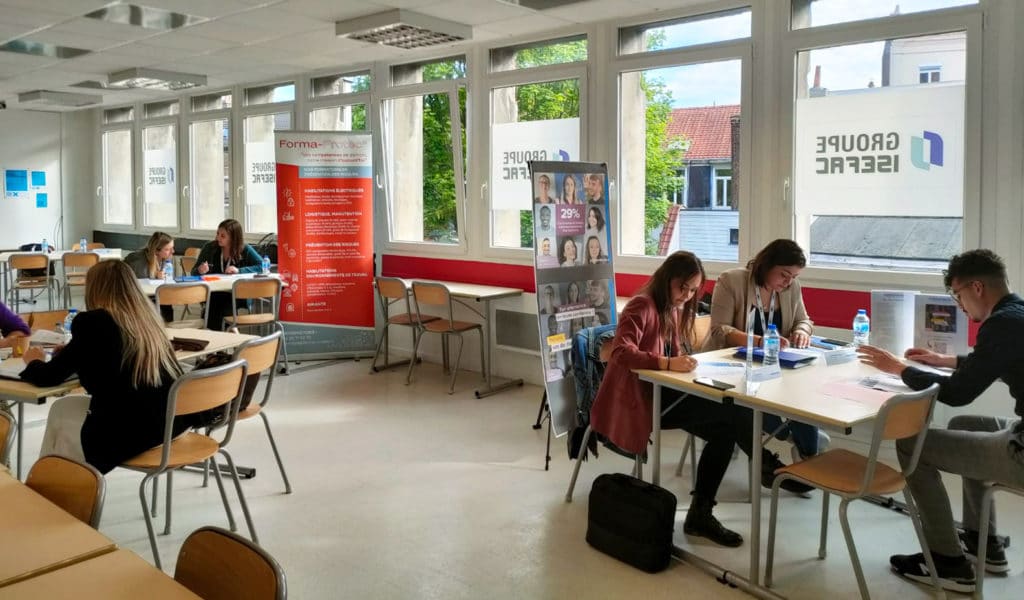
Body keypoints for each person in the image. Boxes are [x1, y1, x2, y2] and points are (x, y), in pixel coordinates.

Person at [589, 251, 811, 548]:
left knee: (727, 427)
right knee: (733, 413)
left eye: (694, 290)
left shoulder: (672, 307)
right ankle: (764, 466)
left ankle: (702, 512)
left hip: (662, 390)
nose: (687, 295)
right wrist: (667, 363)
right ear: (667, 279)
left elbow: (674, 353)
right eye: (683, 287)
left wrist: (685, 363)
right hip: (639, 400)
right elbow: (619, 352)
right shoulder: (642, 305)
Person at [857, 249, 1024, 593]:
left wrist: (900, 369)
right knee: (966, 423)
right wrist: (944, 360)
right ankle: (983, 542)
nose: (959, 305)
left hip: (1020, 450)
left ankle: (947, 561)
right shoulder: (1016, 312)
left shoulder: (1001, 324)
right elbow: (992, 362)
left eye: (958, 295)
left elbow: (958, 392)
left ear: (977, 288)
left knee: (912, 444)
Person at [19, 260, 189, 474]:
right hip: (173, 422)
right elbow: (115, 355)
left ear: (95, 289)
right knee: (63, 409)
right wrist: (74, 351)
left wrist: (33, 360)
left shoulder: (92, 322)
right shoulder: (148, 319)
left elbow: (48, 377)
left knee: (61, 411)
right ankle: (63, 480)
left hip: (136, 429)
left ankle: (58, 482)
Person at [703, 239, 825, 459]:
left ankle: (808, 454)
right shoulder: (731, 280)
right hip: (733, 368)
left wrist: (802, 332)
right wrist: (760, 341)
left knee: (801, 393)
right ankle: (790, 437)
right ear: (767, 264)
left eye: (794, 277)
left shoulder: (791, 288)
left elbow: (804, 320)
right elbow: (719, 330)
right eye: (784, 275)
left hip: (775, 368)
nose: (788, 282)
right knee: (752, 396)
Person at [192, 219, 262, 329]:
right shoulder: (209, 248)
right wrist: (200, 270)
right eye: (217, 234)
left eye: (223, 236)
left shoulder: (245, 249)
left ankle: (218, 333)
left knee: (222, 304)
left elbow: (263, 266)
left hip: (237, 293)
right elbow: (193, 272)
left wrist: (239, 271)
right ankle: (222, 333)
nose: (218, 238)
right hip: (213, 292)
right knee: (216, 302)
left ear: (233, 238)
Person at [124, 231, 176, 322]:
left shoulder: (164, 258)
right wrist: (156, 278)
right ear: (156, 251)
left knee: (166, 303)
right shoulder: (138, 262)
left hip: (152, 297)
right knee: (163, 305)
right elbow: (140, 288)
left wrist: (159, 278)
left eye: (172, 248)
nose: (173, 251)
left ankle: (166, 328)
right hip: (135, 298)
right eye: (167, 249)